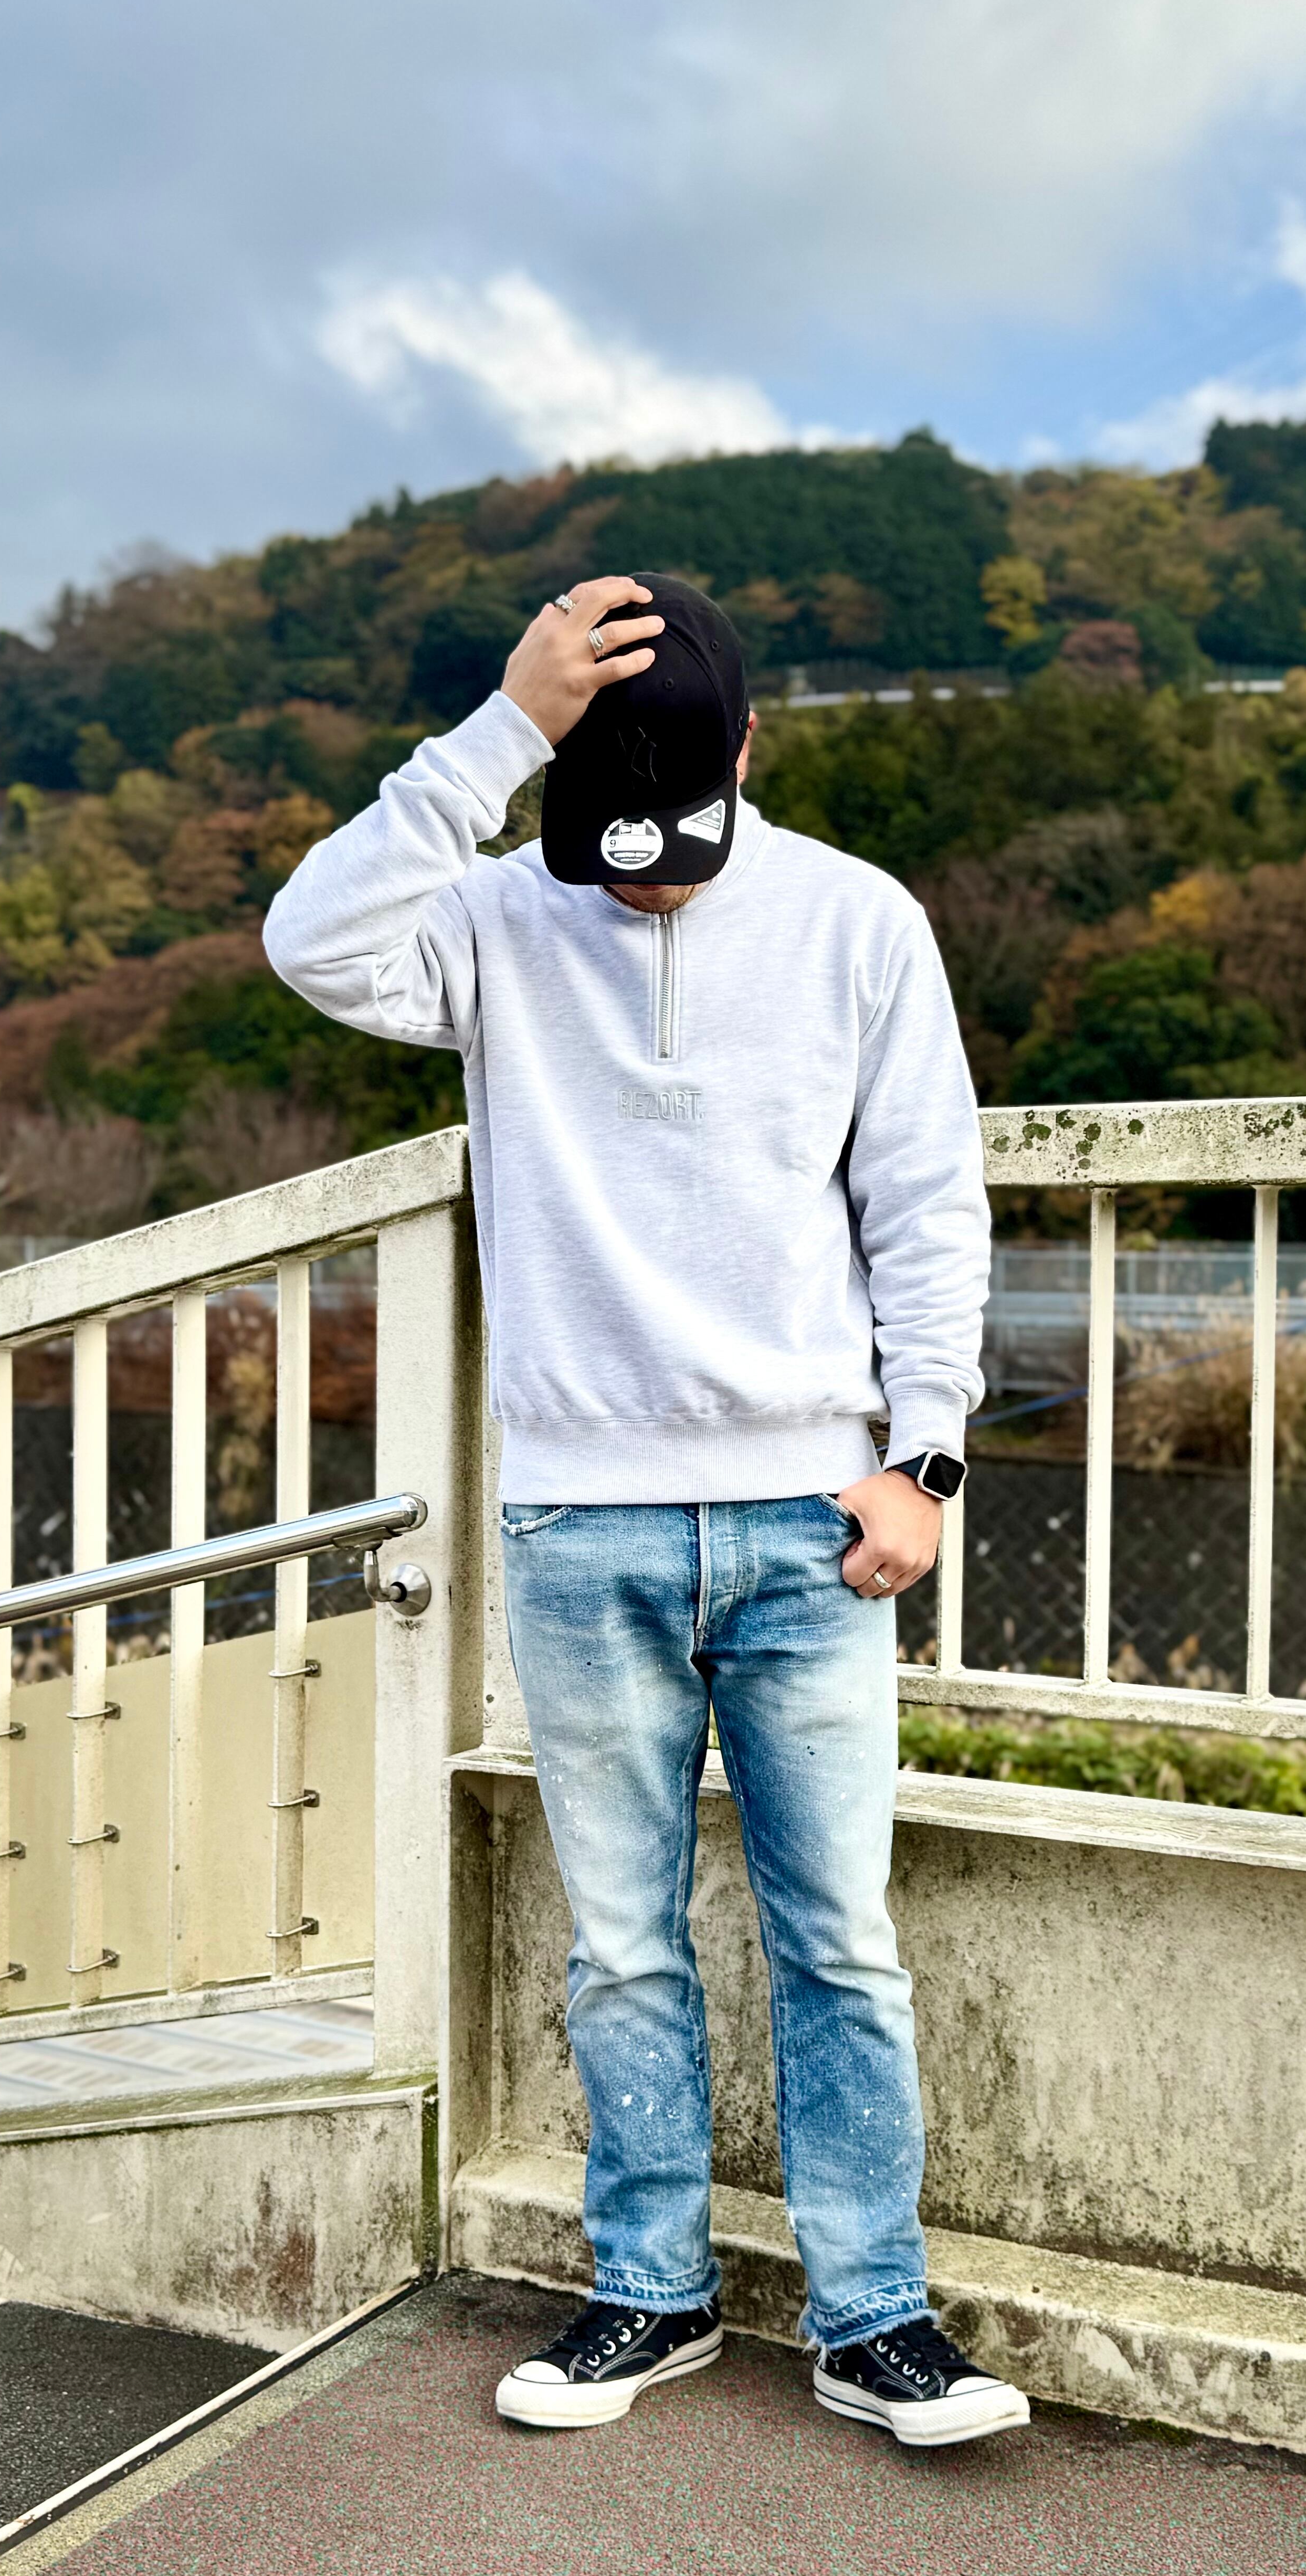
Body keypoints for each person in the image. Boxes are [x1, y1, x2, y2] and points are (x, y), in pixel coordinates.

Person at [266, 573, 1026, 2451]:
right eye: (607, 826)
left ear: (746, 753)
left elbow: (927, 1201)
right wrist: (496, 735)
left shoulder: (856, 920)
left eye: (674, 828)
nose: (647, 883)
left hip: (809, 1513)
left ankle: (875, 2318)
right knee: (619, 1946)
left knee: (838, 1940)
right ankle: (649, 2292)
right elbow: (311, 942)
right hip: (578, 1517)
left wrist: (926, 1455)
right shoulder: (494, 918)